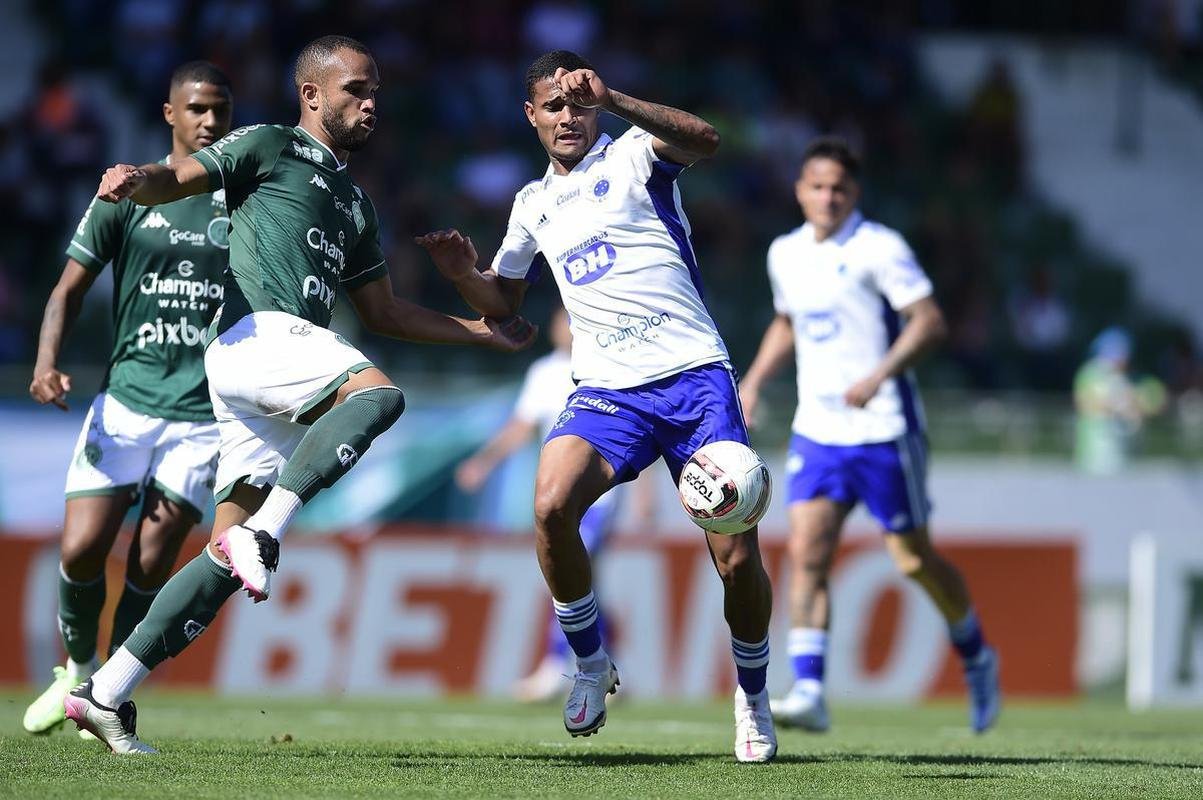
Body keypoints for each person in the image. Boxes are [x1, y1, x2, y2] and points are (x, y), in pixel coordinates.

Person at [64, 35, 534, 754]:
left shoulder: (355, 203)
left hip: (277, 371)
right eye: (355, 90)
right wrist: (137, 179)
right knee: (377, 397)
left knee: (220, 561)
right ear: (311, 95)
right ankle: (265, 532)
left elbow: (384, 313)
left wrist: (479, 332)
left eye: (375, 91)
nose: (370, 103)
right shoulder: (269, 145)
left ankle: (105, 692)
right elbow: (178, 175)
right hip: (254, 335)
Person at [417, 50, 777, 763]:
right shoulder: (531, 204)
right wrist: (462, 276)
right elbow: (503, 301)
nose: (568, 116)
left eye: (579, 103)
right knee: (550, 505)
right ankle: (588, 661)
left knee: (736, 559)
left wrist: (614, 98)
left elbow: (706, 139)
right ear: (531, 115)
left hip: (693, 376)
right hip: (609, 389)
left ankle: (753, 697)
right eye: (554, 105)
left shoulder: (636, 153)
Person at [739, 137, 1000, 735]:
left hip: (884, 428)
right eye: (818, 186)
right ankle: (810, 690)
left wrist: (879, 375)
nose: (828, 197)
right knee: (807, 553)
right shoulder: (785, 253)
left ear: (854, 193)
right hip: (818, 429)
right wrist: (752, 382)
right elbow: (787, 322)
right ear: (800, 191)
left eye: (839, 188)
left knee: (913, 559)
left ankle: (976, 654)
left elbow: (929, 322)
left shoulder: (880, 247)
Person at [22, 62, 233, 738]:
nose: (210, 121)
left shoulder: (243, 200)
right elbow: (68, 290)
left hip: (202, 417)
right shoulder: (127, 191)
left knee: (150, 560)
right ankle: (76, 670)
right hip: (126, 402)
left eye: (220, 110)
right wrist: (46, 363)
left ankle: (106, 689)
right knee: (83, 547)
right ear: (170, 114)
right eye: (197, 108)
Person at [456, 307, 621, 702]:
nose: (567, 328)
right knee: (583, 580)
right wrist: (484, 462)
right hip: (559, 492)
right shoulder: (544, 372)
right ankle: (608, 664)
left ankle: (557, 665)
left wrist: (644, 491)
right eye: (563, 320)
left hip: (602, 494)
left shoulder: (607, 369)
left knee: (569, 572)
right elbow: (521, 427)